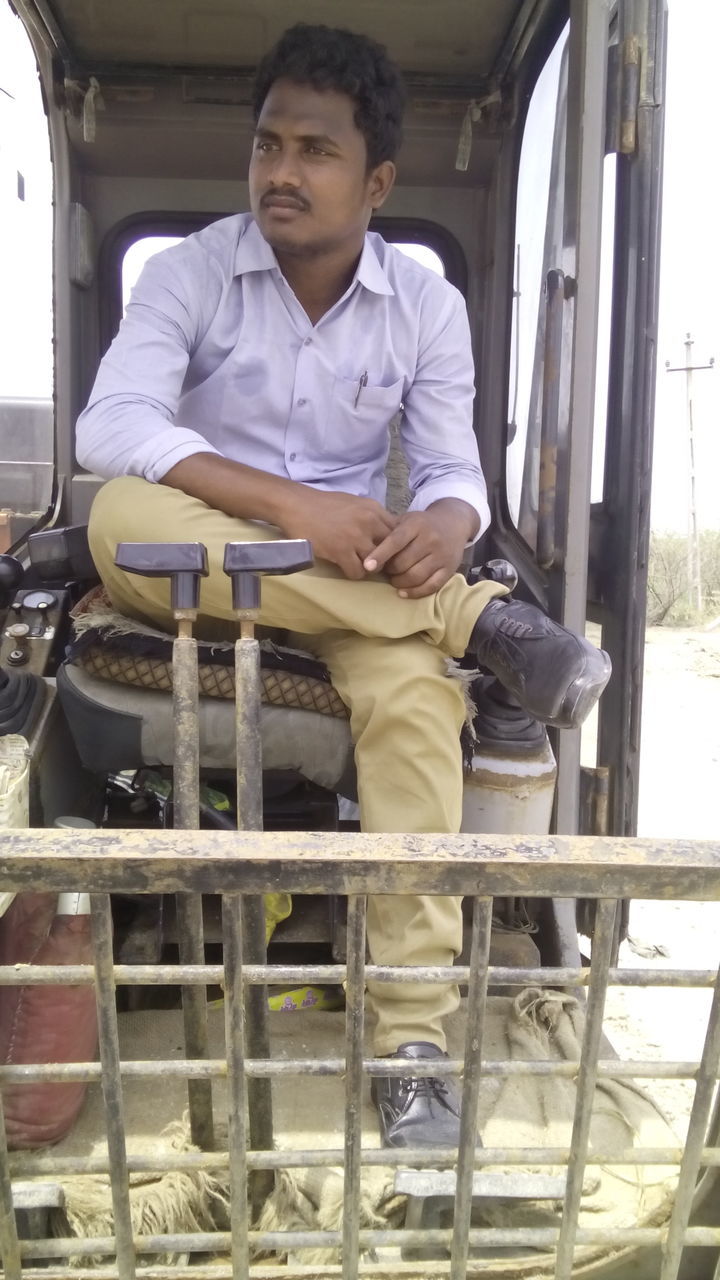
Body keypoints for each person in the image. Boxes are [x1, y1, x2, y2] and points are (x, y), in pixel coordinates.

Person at [77, 23, 610, 1148]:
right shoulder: (190, 272)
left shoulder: (425, 306)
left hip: (351, 589)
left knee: (420, 698)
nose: (281, 171)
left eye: (314, 150)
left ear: (375, 183)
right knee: (119, 512)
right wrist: (289, 504)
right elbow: (112, 423)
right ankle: (476, 614)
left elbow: (455, 467)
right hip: (202, 568)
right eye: (269, 144)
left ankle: (411, 1046)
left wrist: (448, 522)